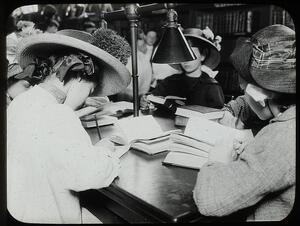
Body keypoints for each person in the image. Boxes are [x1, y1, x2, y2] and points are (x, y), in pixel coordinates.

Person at [7, 28, 132, 223]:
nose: (85, 100)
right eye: (90, 91)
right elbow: (89, 174)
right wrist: (106, 150)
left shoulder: (20, 102)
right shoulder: (59, 114)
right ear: (80, 77)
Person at [193, 25, 296, 221]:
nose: (243, 95)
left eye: (244, 90)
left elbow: (209, 200)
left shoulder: (282, 135)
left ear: (260, 94)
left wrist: (219, 156)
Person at [140, 27, 225, 110]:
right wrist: (146, 100)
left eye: (192, 54)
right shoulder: (170, 82)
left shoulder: (211, 87)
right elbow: (153, 99)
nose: (186, 60)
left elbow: (217, 118)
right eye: (183, 55)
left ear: (203, 56)